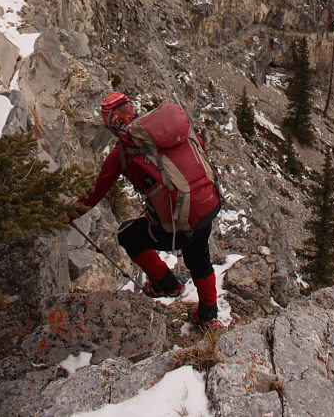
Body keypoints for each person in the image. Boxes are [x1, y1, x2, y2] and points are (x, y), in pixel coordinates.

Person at [69, 91, 220, 328]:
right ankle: (208, 316)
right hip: (205, 207)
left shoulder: (124, 150)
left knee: (128, 236)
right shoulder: (173, 130)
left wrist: (66, 215)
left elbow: (95, 192)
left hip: (174, 227)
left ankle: (167, 284)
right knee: (200, 259)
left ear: (111, 121)